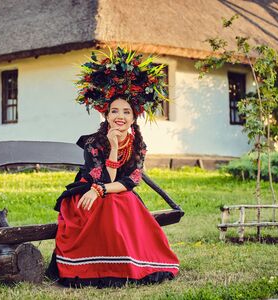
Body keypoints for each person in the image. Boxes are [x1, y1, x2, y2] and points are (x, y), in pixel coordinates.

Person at [46, 46, 179, 288]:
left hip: (113, 190)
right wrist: (113, 148)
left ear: (133, 117)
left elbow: (132, 181)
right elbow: (101, 178)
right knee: (112, 203)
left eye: (126, 111)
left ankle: (132, 264)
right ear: (106, 116)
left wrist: (103, 189)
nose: (120, 116)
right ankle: (99, 267)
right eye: (114, 111)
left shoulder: (138, 144)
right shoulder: (93, 143)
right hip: (85, 192)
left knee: (124, 200)